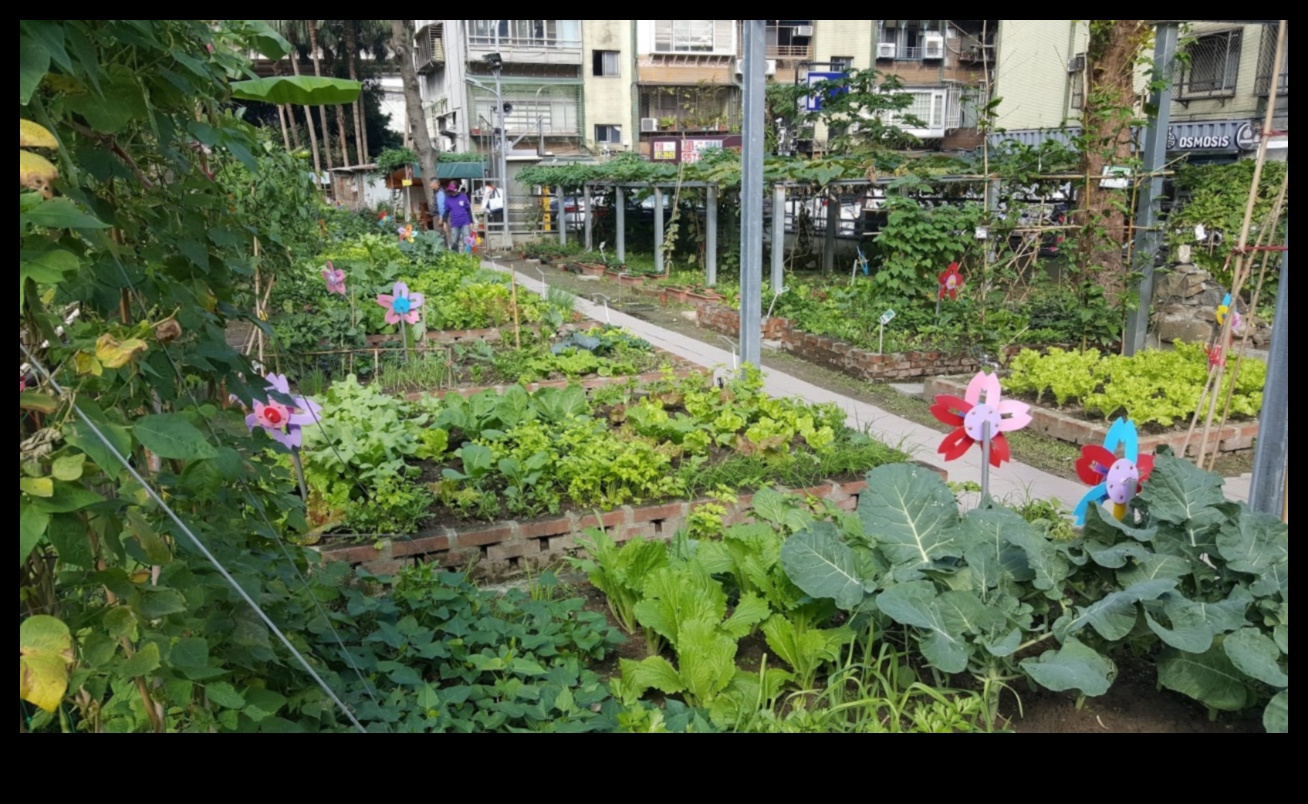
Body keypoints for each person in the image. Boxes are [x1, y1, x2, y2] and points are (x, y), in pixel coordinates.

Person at [445, 182, 476, 254]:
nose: (451, 192)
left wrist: (471, 221)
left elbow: (468, 209)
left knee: (467, 240)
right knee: (454, 241)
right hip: (454, 223)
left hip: (465, 221)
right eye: (450, 190)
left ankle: (467, 258)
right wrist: (444, 222)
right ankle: (455, 257)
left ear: (456, 189)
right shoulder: (448, 199)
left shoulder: (463, 196)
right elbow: (446, 211)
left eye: (452, 190)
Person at [429, 180, 449, 247]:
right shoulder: (437, 192)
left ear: (436, 184)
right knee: (440, 234)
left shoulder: (440, 193)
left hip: (438, 216)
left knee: (439, 234)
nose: (430, 185)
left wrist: (441, 218)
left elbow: (441, 206)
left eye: (431, 183)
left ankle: (442, 250)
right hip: (437, 215)